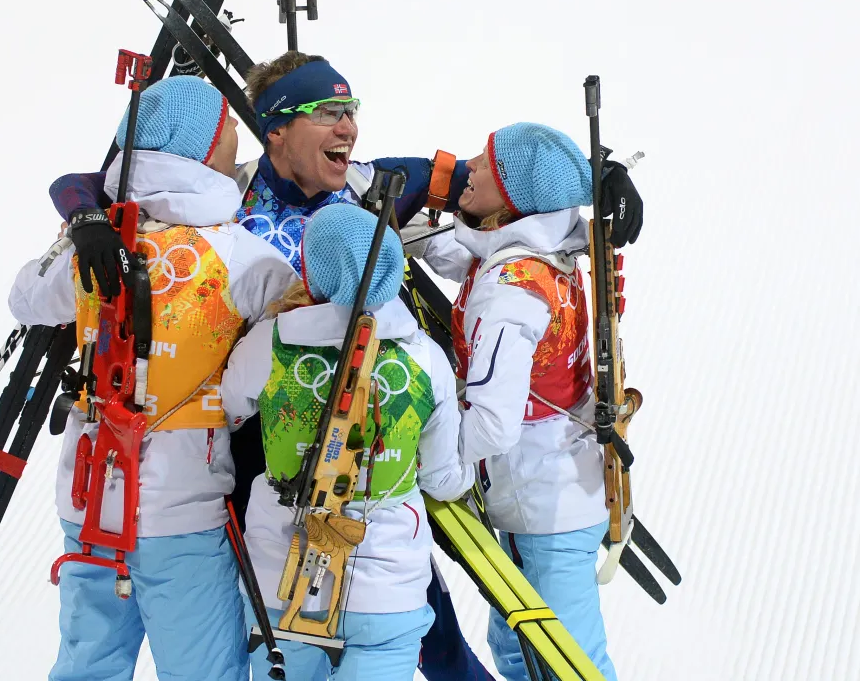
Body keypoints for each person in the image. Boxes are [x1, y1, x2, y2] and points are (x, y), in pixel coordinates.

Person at [43, 52, 645, 681]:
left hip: (374, 429)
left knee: (415, 611)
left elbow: (506, 174)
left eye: (351, 111)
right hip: (252, 444)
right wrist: (83, 215)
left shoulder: (367, 186)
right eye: (328, 112)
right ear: (275, 129)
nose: (348, 126)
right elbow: (100, 177)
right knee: (265, 617)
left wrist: (594, 178)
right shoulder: (220, 193)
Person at [7, 75, 297, 681]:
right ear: (200, 151)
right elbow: (292, 343)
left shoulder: (100, 241)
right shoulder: (245, 258)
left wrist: (76, 226)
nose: (236, 149)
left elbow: (27, 298)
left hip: (88, 500)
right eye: (227, 135)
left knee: (87, 665)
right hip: (183, 510)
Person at [220, 203, 475, 680]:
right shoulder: (426, 361)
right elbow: (442, 480)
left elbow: (232, 408)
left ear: (312, 271)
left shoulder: (269, 343)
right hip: (388, 592)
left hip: (280, 582)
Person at [417, 122, 621, 681]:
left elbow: (491, 424)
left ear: (513, 192)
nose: (470, 168)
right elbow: (466, 258)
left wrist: (436, 467)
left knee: (571, 665)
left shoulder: (509, 289)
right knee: (520, 654)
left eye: (485, 162)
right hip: (541, 493)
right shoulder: (541, 252)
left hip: (544, 505)